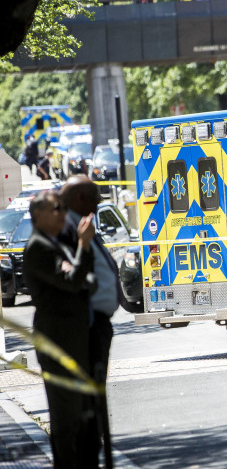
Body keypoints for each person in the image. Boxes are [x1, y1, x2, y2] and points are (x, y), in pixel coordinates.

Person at [24, 190, 97, 468]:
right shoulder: (39, 247)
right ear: (39, 214)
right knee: (65, 416)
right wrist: (83, 243)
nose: (63, 213)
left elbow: (82, 277)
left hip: (71, 339)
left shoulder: (52, 243)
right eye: (57, 208)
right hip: (58, 341)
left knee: (77, 413)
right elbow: (74, 280)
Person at [59, 176, 121, 463]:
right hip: (87, 324)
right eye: (95, 196)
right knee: (87, 402)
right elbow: (73, 274)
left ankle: (92, 452)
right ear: (80, 199)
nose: (99, 202)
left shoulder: (82, 223)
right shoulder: (68, 227)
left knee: (95, 400)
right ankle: (87, 455)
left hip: (98, 323)